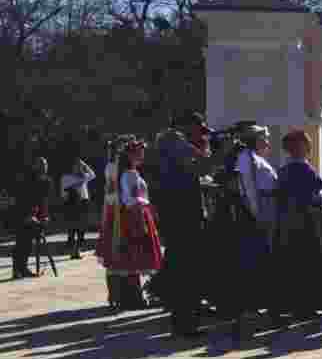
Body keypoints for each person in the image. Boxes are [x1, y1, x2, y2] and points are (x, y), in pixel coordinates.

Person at [158, 112, 211, 337]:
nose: (201, 132)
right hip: (183, 216)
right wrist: (210, 151)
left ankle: (185, 321)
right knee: (185, 269)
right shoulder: (173, 140)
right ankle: (184, 324)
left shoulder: (171, 141)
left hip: (179, 215)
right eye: (199, 127)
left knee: (182, 267)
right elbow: (202, 167)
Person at [97, 139, 163, 309]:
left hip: (124, 215)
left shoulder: (118, 170)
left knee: (125, 256)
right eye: (139, 152)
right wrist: (145, 208)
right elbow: (130, 199)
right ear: (130, 154)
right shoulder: (130, 174)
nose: (142, 155)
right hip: (133, 215)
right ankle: (132, 298)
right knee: (134, 255)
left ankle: (123, 296)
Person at [273, 129, 322, 323]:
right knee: (307, 263)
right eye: (306, 143)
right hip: (306, 221)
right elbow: (317, 192)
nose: (309, 146)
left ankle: (297, 306)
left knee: (294, 264)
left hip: (288, 222)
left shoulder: (283, 171)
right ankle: (306, 308)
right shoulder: (304, 170)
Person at [228, 124, 277, 340]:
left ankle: (258, 306)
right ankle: (249, 309)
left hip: (265, 210)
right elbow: (248, 188)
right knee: (254, 260)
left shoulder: (256, 158)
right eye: (264, 138)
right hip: (256, 214)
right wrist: (256, 213)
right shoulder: (246, 159)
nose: (268, 142)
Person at [12, 156, 52, 279]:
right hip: (23, 213)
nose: (44, 167)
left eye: (45, 164)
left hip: (36, 215)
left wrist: (44, 216)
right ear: (35, 166)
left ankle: (23, 268)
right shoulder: (27, 178)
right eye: (40, 164)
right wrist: (28, 215)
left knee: (29, 244)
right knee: (21, 243)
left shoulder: (46, 181)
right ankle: (17, 269)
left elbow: (44, 201)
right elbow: (23, 197)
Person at [61, 156, 96, 260]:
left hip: (83, 202)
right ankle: (72, 251)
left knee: (82, 228)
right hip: (72, 203)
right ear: (72, 167)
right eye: (77, 166)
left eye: (80, 166)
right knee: (72, 228)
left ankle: (78, 250)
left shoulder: (83, 176)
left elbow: (93, 175)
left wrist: (84, 165)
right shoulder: (66, 177)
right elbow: (63, 192)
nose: (79, 168)